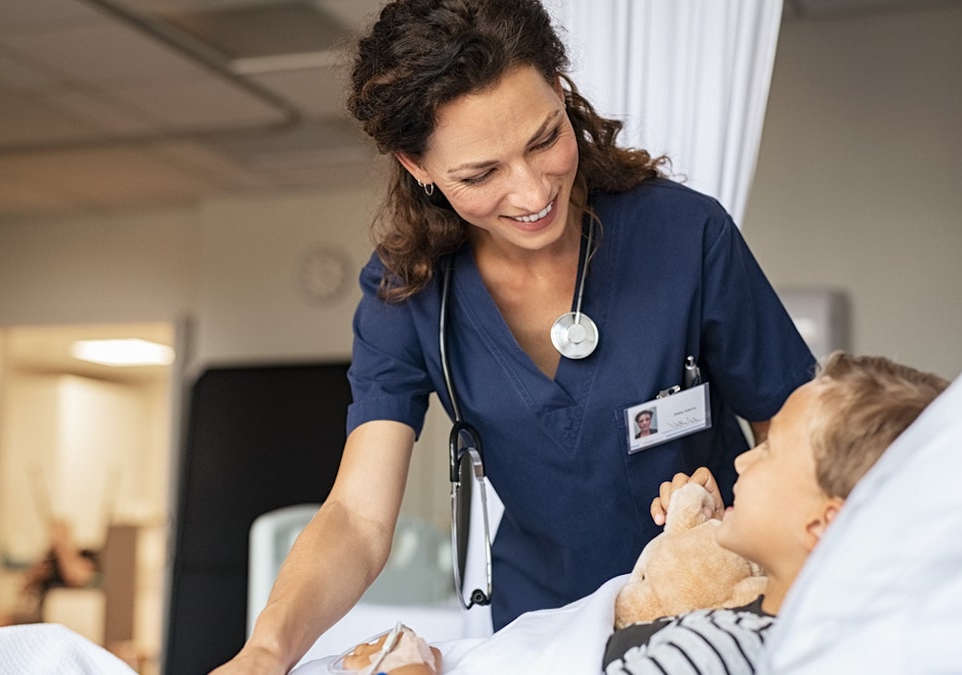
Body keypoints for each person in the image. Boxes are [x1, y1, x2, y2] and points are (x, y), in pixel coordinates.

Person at [214, 0, 813, 671]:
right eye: (480, 174)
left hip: (711, 616)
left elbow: (802, 442)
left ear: (560, 91)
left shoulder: (685, 237)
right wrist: (265, 649)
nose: (531, 193)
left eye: (543, 138)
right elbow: (358, 516)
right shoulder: (408, 293)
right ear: (418, 167)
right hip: (543, 634)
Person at [604, 351, 950, 673]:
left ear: (821, 526)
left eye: (769, 450)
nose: (741, 460)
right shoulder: (782, 628)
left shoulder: (710, 651)